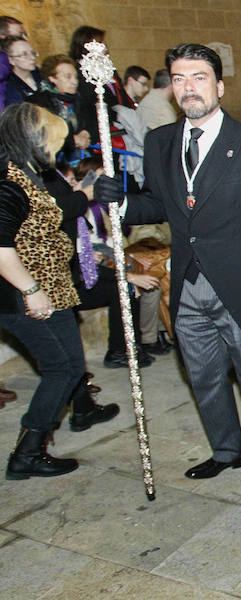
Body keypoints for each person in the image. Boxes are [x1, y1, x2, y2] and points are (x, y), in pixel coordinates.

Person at [95, 43, 241, 500]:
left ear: (219, 86)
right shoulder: (162, 142)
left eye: (199, 77)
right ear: (171, 89)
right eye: (180, 79)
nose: (189, 87)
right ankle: (227, 451)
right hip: (185, 284)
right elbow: (159, 203)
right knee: (202, 376)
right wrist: (121, 200)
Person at [0, 104, 96, 479]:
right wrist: (32, 290)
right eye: (53, 143)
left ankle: (30, 450)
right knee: (61, 368)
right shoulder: (8, 182)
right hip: (24, 294)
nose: (56, 151)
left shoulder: (29, 175)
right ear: (33, 139)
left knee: (71, 366)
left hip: (52, 287)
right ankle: (27, 454)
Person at [2, 36, 40, 106]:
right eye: (24, 54)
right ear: (11, 60)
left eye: (32, 53)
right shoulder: (9, 88)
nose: (32, 57)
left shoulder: (41, 75)